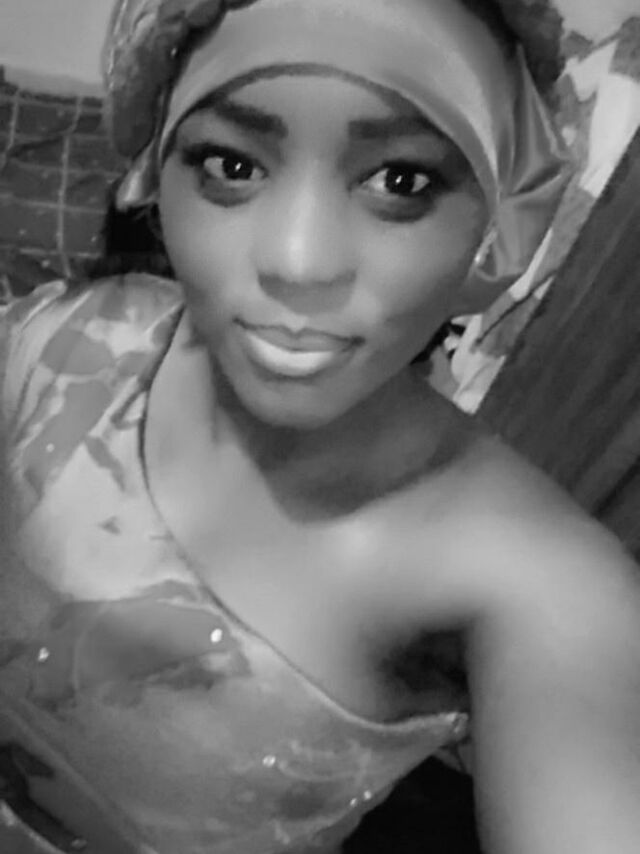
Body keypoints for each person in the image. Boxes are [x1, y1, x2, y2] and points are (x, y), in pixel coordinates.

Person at [1, 1, 639, 853]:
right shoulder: (71, 338)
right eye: (232, 165)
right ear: (157, 173)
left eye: (401, 182)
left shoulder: (536, 582)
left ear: (497, 211)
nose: (298, 262)